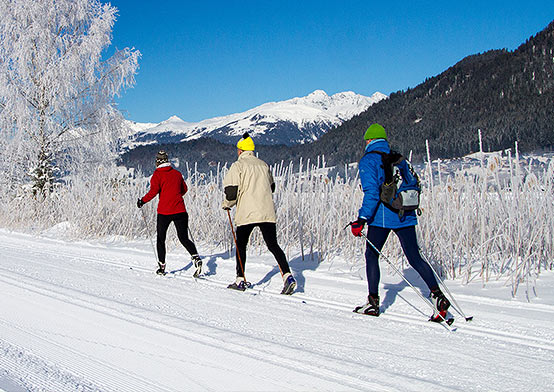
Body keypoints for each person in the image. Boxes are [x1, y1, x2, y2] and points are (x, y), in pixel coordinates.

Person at [351, 123, 450, 321]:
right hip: (406, 213)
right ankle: (437, 296)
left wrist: (362, 219)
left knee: (372, 255)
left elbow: (371, 193)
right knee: (414, 257)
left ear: (369, 141)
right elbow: (412, 184)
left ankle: (373, 302)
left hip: (382, 217)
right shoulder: (399, 158)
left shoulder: (368, 160)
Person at [222, 133, 296, 295]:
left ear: (241, 150)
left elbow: (231, 192)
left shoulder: (238, 166)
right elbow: (272, 188)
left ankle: (240, 279)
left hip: (247, 213)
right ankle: (288, 276)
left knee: (241, 245)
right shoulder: (264, 165)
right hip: (266, 211)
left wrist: (227, 205)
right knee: (273, 245)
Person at [137, 150, 202, 276]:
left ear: (157, 162)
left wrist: (142, 201)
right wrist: (175, 196)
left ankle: (162, 266)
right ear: (167, 161)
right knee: (183, 237)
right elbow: (184, 189)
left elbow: (153, 192)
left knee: (161, 239)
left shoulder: (157, 175)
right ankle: (196, 258)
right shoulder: (177, 174)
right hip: (180, 210)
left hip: (164, 212)